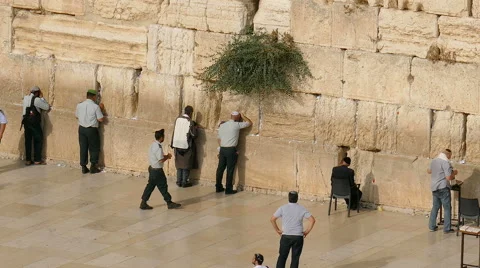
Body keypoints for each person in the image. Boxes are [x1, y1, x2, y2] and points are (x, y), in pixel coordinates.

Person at [271, 191, 316, 268]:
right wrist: (306, 232)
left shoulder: (282, 208)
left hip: (286, 236)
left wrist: (278, 230)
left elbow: (272, 219)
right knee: (295, 258)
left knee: (282, 257)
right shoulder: (302, 208)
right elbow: (312, 220)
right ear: (297, 198)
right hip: (298, 237)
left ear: (288, 198)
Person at [140, 129, 181, 210]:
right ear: (161, 137)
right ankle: (169, 202)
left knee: (150, 186)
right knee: (163, 186)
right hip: (157, 171)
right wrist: (168, 156)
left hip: (152, 168)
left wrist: (164, 156)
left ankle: (143, 202)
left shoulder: (153, 144)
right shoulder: (158, 147)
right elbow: (161, 159)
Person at [215, 111, 252, 194]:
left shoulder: (222, 125)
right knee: (230, 169)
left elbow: (219, 139)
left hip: (222, 149)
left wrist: (220, 149)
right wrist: (243, 116)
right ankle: (228, 189)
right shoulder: (236, 125)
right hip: (231, 150)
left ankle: (218, 187)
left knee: (220, 169)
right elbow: (249, 123)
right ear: (237, 117)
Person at [427, 149, 459, 234]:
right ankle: (447, 228)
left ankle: (431, 226)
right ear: (447, 155)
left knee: (435, 207)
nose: (450, 157)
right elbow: (448, 177)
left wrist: (438, 173)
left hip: (434, 187)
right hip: (443, 187)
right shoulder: (446, 163)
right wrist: (454, 173)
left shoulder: (434, 161)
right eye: (450, 155)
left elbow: (429, 171)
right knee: (447, 208)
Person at [75, 89, 105, 174]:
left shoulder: (79, 105)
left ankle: (83, 167)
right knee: (94, 148)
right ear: (94, 97)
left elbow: (76, 116)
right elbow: (100, 119)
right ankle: (93, 166)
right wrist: (101, 109)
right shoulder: (95, 107)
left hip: (81, 129)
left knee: (83, 147)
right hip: (91, 130)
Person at [22, 86, 51, 165]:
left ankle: (28, 160)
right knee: (38, 139)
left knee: (28, 141)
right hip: (34, 123)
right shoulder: (37, 100)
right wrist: (42, 98)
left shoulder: (25, 98)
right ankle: (37, 160)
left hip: (26, 122)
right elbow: (47, 107)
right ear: (37, 92)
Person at [171, 105, 198, 188]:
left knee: (179, 165)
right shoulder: (190, 122)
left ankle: (178, 181)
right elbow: (193, 135)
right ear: (190, 113)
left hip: (176, 145)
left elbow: (174, 131)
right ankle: (184, 182)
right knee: (186, 165)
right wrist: (195, 128)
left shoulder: (177, 119)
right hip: (186, 146)